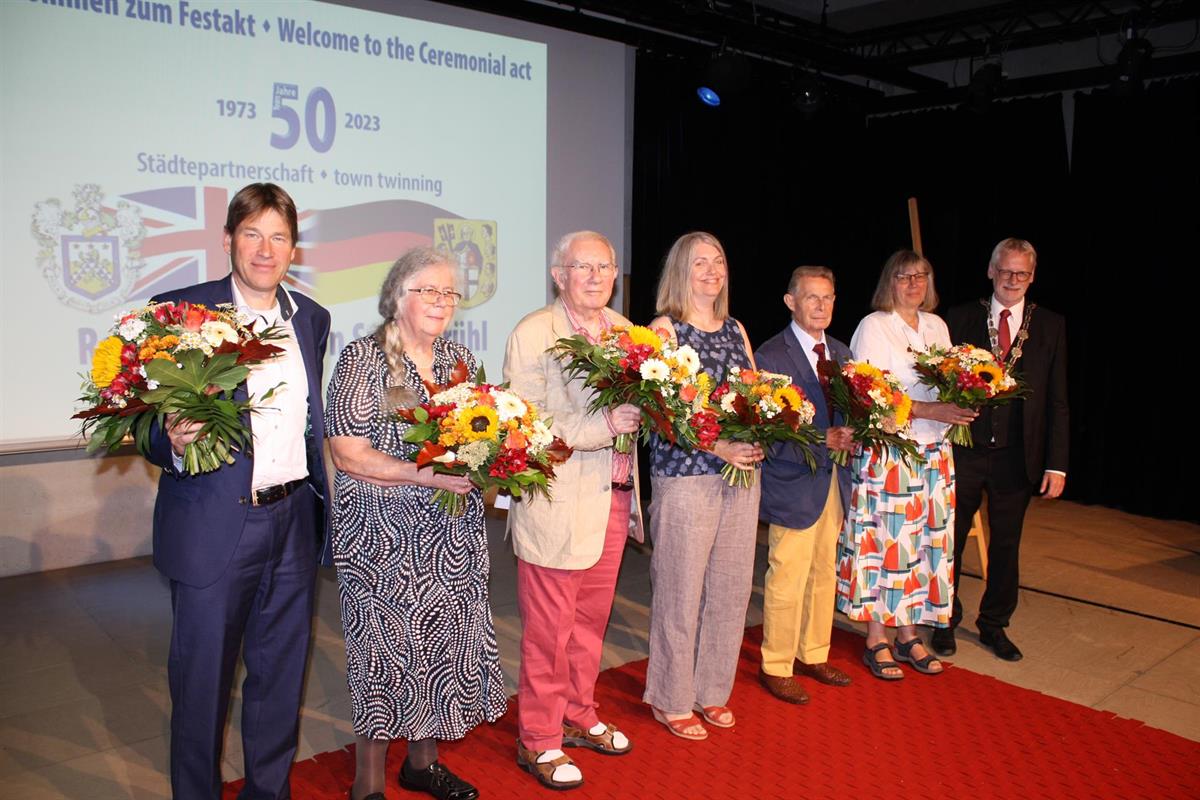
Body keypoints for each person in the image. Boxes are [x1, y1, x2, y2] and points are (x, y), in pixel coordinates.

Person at [144, 183, 330, 799]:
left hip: (293, 520)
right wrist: (169, 438)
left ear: (293, 248)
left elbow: (308, 422)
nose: (264, 249)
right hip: (214, 525)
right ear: (227, 239)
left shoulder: (313, 319)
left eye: (278, 236)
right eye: (252, 233)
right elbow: (135, 415)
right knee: (200, 687)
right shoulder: (179, 312)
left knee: (279, 681)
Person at [325, 247, 505, 800]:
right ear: (396, 296)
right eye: (427, 289)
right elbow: (347, 452)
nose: (441, 301)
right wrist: (425, 475)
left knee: (441, 647)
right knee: (384, 653)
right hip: (381, 534)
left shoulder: (460, 360)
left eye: (449, 292)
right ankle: (368, 782)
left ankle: (422, 765)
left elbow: (481, 436)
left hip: (450, 535)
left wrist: (494, 463)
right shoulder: (363, 357)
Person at [503, 231, 642, 790]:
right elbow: (527, 423)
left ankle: (579, 715)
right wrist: (601, 427)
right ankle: (538, 738)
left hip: (613, 496)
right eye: (581, 267)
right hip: (558, 502)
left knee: (590, 625)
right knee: (549, 631)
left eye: (603, 267)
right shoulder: (535, 332)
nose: (594, 276)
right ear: (558, 275)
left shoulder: (629, 333)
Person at [641, 231, 763, 740]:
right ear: (679, 273)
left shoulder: (736, 328)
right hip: (687, 475)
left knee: (731, 590)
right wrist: (719, 449)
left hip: (741, 474)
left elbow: (757, 393)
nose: (712, 271)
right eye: (699, 264)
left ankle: (711, 690)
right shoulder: (664, 330)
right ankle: (670, 696)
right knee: (680, 590)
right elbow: (663, 412)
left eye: (719, 261)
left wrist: (765, 429)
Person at [836, 249, 976, 680]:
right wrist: (927, 410)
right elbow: (866, 396)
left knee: (926, 546)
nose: (913, 284)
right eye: (904, 276)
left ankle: (909, 632)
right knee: (887, 545)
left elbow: (952, 379)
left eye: (921, 276)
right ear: (888, 282)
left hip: (935, 452)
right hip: (891, 451)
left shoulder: (937, 326)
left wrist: (966, 400)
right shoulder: (874, 327)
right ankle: (877, 635)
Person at [934, 238, 1068, 661]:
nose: (1012, 280)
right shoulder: (958, 318)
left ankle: (994, 625)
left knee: (1007, 545)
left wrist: (1057, 464)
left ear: (1032, 276)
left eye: (1022, 273)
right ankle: (944, 619)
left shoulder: (1050, 324)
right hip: (965, 450)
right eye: (1005, 271)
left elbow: (1058, 399)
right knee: (949, 541)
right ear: (990, 271)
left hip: (1018, 455)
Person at [755, 266, 855, 704]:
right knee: (788, 574)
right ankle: (776, 663)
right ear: (790, 301)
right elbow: (765, 427)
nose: (821, 306)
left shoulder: (842, 351)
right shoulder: (771, 356)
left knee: (823, 572)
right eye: (811, 297)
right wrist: (822, 439)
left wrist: (859, 431)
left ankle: (813, 653)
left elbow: (851, 413)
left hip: (834, 478)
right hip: (792, 479)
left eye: (828, 297)